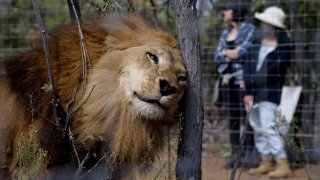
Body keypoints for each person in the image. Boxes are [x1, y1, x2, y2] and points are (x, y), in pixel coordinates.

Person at [243, 6, 293, 178]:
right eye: (263, 23)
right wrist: (248, 91)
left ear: (275, 26)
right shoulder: (257, 43)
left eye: (268, 23)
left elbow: (271, 72)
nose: (264, 26)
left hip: (269, 93)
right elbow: (247, 65)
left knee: (269, 127)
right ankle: (266, 161)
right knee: (257, 127)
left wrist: (248, 82)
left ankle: (282, 162)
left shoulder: (285, 47)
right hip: (251, 93)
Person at [214, 2, 258, 168]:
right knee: (233, 119)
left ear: (236, 11)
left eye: (227, 9)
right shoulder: (225, 32)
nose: (224, 12)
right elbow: (217, 55)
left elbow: (244, 51)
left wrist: (228, 53)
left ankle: (250, 156)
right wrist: (229, 53)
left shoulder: (250, 29)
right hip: (227, 83)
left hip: (243, 83)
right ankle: (235, 156)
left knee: (247, 119)